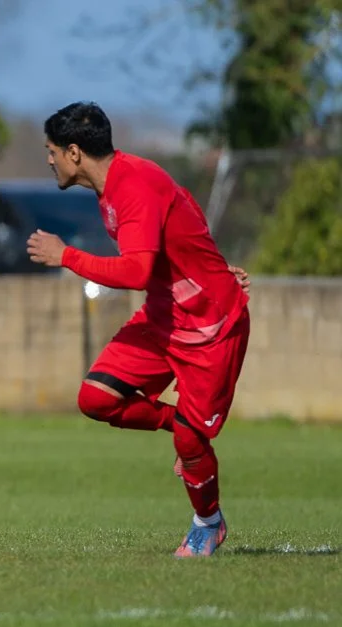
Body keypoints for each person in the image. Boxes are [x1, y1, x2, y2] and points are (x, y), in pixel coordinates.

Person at [27, 101, 252, 558]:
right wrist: (207, 265)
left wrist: (64, 255)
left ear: (73, 152)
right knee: (96, 398)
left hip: (212, 325)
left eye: (51, 150)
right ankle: (184, 428)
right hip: (164, 316)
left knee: (193, 440)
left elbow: (134, 271)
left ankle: (207, 523)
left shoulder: (134, 183)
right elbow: (183, 214)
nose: (48, 159)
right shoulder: (115, 186)